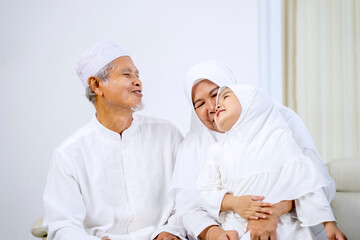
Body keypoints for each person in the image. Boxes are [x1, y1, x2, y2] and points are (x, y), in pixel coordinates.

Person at [171, 60, 336, 240]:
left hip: (290, 228)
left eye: (217, 94)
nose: (212, 107)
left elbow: (316, 183)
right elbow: (189, 207)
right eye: (200, 104)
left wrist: (271, 213)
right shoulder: (195, 146)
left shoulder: (279, 122)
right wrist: (215, 233)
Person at [43, 41, 186, 240]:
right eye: (127, 75)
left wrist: (171, 231)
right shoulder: (69, 154)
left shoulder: (167, 135)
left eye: (138, 75)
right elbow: (62, 225)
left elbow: (188, 198)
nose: (138, 82)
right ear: (96, 84)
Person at [197, 84, 347, 240]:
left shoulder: (281, 141)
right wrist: (234, 203)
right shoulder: (217, 151)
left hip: (286, 228)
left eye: (226, 96)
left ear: (251, 102)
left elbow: (306, 184)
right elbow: (205, 191)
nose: (216, 105)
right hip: (238, 229)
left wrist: (329, 224)